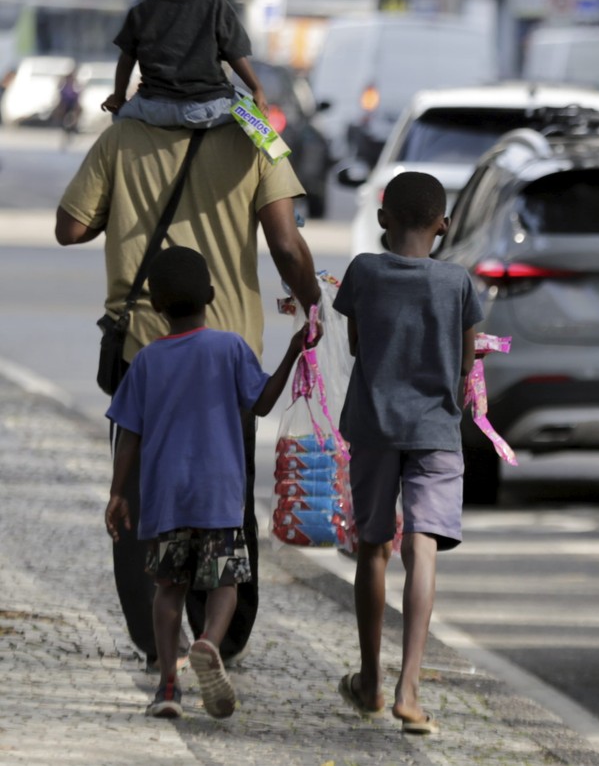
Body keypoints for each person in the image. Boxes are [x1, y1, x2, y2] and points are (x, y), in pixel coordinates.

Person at [56, 105, 320, 671]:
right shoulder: (255, 134)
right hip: (230, 350)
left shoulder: (122, 136)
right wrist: (313, 311)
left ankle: (158, 649)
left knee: (143, 512)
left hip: (143, 344)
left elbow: (69, 227)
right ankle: (219, 640)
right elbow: (285, 241)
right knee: (228, 499)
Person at [105, 247, 307, 719]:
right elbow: (261, 404)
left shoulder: (148, 361)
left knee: (168, 589)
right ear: (213, 296)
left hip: (166, 499)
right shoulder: (231, 348)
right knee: (225, 584)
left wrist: (117, 492)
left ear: (155, 306)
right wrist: (292, 353)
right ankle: (210, 644)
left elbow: (128, 435)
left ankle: (168, 688)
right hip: (219, 497)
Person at [332, 171, 483, 734]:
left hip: (373, 427)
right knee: (423, 549)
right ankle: (409, 688)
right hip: (435, 433)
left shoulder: (364, 271)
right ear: (443, 225)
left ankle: (369, 680)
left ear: (382, 219)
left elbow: (355, 342)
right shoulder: (458, 283)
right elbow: (466, 364)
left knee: (374, 548)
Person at [100, 0, 266, 129]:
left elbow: (126, 61)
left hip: (153, 109)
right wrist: (257, 89)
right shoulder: (215, 5)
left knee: (120, 119)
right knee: (254, 118)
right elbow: (235, 55)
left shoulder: (140, 12)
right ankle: (274, 157)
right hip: (208, 108)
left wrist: (118, 96)